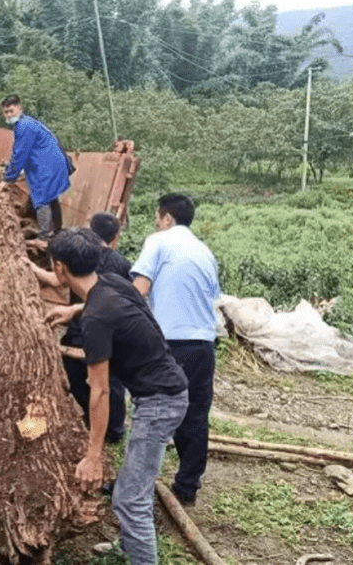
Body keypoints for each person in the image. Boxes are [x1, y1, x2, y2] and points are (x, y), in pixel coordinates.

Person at [44, 228, 188, 565]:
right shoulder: (110, 282)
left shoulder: (97, 319)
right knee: (133, 482)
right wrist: (73, 311)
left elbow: (101, 390)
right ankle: (128, 544)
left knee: (129, 498)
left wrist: (94, 455)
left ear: (60, 268)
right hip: (163, 391)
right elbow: (114, 305)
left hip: (160, 403)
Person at [130, 193, 220, 507]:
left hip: (171, 343)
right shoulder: (205, 251)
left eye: (158, 217)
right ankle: (187, 486)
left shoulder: (159, 240)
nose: (156, 222)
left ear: (167, 218)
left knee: (153, 412)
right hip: (204, 344)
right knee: (195, 414)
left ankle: (134, 482)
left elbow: (139, 291)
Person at [26, 212, 131, 443]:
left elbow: (58, 280)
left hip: (84, 327)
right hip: (96, 329)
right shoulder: (121, 263)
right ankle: (107, 426)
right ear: (115, 236)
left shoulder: (81, 257)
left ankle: (107, 428)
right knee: (106, 381)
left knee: (86, 379)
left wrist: (31, 267)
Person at [0, 94, 71, 241]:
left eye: (11, 111)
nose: (9, 115)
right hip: (51, 164)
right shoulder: (26, 123)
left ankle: (45, 237)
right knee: (51, 197)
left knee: (41, 199)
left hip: (47, 166)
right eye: (6, 112)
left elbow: (19, 155)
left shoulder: (24, 126)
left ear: (19, 108)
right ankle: (57, 231)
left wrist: (6, 180)